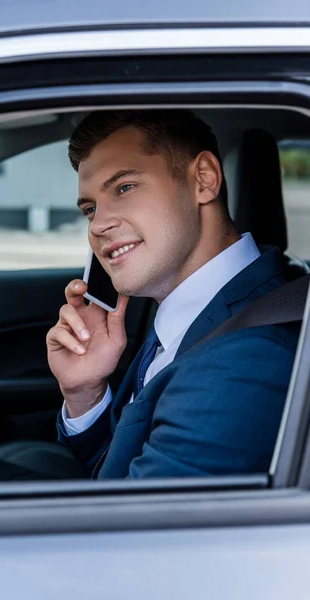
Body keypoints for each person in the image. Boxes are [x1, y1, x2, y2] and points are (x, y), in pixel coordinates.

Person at [47, 109, 300, 479]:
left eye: (124, 188)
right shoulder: (191, 307)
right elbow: (123, 466)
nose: (98, 225)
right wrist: (84, 393)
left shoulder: (244, 358)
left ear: (203, 179)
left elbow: (135, 528)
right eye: (90, 208)